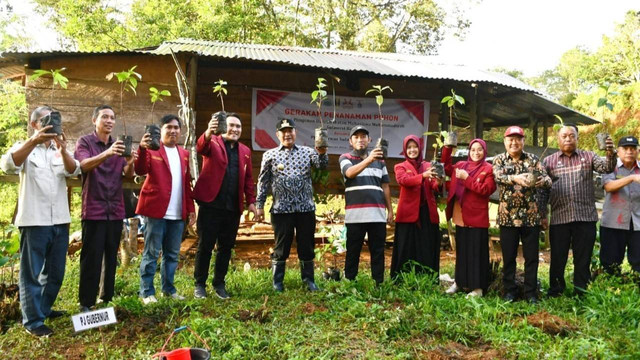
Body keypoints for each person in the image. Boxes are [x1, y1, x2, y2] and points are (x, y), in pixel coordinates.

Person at [0, 106, 80, 337]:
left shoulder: (59, 150)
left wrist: (64, 149)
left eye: (54, 119)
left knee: (55, 273)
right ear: (34, 124)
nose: (51, 123)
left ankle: (43, 309)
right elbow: (8, 164)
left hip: (60, 221)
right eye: (45, 119)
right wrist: (34, 141)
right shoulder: (25, 148)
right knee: (31, 273)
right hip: (34, 220)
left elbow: (73, 171)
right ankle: (33, 322)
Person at [539, 125, 615, 297]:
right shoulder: (549, 161)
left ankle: (581, 290)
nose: (568, 139)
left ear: (577, 138)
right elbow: (542, 190)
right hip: (560, 218)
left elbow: (607, 168)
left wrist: (610, 152)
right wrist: (542, 214)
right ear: (558, 139)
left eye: (571, 136)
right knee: (558, 257)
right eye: (564, 136)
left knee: (583, 257)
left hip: (585, 217)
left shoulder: (589, 156)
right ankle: (556, 290)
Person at [255, 118, 328, 292]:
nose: (287, 134)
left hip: (305, 209)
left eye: (290, 130)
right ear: (277, 134)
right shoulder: (270, 155)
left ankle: (308, 281)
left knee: (307, 245)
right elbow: (263, 182)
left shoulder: (307, 151)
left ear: (295, 132)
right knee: (281, 246)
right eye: (284, 131)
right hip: (281, 210)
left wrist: (322, 151)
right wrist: (259, 204)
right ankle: (277, 282)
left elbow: (322, 166)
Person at [75, 105, 135, 312]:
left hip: (115, 209)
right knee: (91, 256)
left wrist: (129, 161)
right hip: (94, 208)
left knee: (111, 255)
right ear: (94, 120)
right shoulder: (85, 142)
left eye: (112, 118)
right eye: (104, 117)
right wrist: (108, 153)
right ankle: (86, 302)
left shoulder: (119, 146)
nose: (109, 121)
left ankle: (106, 297)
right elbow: (83, 165)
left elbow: (127, 174)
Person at [192, 112, 256, 300]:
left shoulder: (245, 151)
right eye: (231, 125)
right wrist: (209, 131)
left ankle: (219, 283)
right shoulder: (214, 142)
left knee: (226, 248)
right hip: (211, 205)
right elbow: (200, 146)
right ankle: (199, 284)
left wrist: (251, 201)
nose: (235, 129)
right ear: (222, 126)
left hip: (232, 207)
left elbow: (249, 179)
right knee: (205, 246)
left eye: (238, 126)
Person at [135, 114, 196, 304]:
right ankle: (146, 292)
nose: (173, 131)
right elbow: (140, 169)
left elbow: (187, 184)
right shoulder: (153, 150)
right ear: (161, 130)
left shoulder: (184, 154)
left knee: (172, 254)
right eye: (168, 127)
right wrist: (142, 148)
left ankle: (168, 289)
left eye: (176, 128)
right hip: (156, 211)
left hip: (177, 213)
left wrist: (190, 209)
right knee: (151, 252)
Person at [492, 126, 551, 303]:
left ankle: (530, 292)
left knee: (531, 258)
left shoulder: (533, 160)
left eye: (518, 139)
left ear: (523, 141)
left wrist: (542, 181)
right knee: (509, 257)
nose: (514, 142)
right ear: (505, 141)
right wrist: (514, 178)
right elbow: (496, 176)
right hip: (507, 217)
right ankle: (509, 291)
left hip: (530, 217)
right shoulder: (499, 160)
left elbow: (547, 179)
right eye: (510, 139)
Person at [441, 139, 496, 297]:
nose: (476, 153)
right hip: (460, 214)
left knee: (477, 252)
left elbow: (486, 190)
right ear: (469, 151)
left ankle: (478, 288)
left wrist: (467, 179)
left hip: (477, 216)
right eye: (473, 150)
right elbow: (445, 168)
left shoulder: (488, 169)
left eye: (479, 150)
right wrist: (447, 149)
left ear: (484, 152)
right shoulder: (461, 166)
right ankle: (459, 282)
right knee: (462, 250)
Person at [340, 126, 393, 285]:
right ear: (351, 141)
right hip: (355, 216)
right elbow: (349, 173)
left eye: (363, 136)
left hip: (377, 214)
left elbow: (385, 186)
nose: (360, 139)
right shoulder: (345, 157)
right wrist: (369, 159)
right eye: (356, 137)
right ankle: (350, 281)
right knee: (353, 251)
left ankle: (378, 283)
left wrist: (390, 210)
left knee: (377, 251)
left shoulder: (380, 161)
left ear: (369, 140)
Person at [391, 134, 440, 282]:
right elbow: (404, 181)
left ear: (420, 148)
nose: (412, 150)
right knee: (405, 245)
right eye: (409, 147)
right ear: (405, 150)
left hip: (426, 212)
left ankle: (427, 278)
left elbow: (434, 186)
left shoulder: (428, 165)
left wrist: (438, 180)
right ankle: (400, 278)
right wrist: (423, 176)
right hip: (408, 214)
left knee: (427, 244)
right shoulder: (400, 166)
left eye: (415, 147)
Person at [599, 136, 640, 275]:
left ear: (638, 151)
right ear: (618, 151)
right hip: (613, 222)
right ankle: (610, 291)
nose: (629, 151)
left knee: (638, 262)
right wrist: (632, 178)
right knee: (610, 263)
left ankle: (635, 290)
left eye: (633, 148)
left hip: (637, 223)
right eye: (625, 148)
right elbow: (609, 186)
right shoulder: (610, 166)